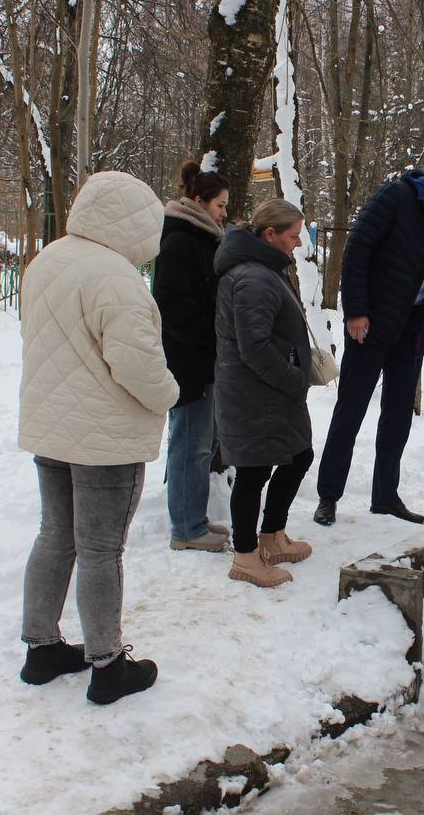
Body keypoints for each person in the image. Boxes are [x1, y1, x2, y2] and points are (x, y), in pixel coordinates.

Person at [17, 171, 179, 704]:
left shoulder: (49, 261)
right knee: (101, 549)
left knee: (54, 536)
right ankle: (108, 665)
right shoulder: (115, 277)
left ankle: (42, 648)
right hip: (105, 439)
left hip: (53, 429)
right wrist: (170, 395)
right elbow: (136, 365)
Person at [313, 171, 424, 526]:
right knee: (351, 409)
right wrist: (357, 311)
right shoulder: (398, 198)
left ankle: (385, 497)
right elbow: (358, 250)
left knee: (397, 417)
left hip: (413, 333)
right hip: (371, 324)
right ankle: (328, 496)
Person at [213, 198, 315, 587]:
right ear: (270, 234)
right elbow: (253, 346)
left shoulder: (262, 270)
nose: (297, 244)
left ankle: (271, 536)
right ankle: (245, 556)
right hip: (256, 392)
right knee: (254, 470)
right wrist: (292, 377)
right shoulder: (253, 277)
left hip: (268, 391)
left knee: (297, 456)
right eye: (292, 236)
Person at [152, 160, 231, 552]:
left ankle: (194, 519)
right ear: (199, 201)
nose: (224, 213)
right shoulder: (180, 240)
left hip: (203, 358)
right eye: (219, 205)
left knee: (200, 445)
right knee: (189, 444)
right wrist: (212, 337)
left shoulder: (201, 237)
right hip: (188, 362)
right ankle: (185, 528)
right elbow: (171, 305)